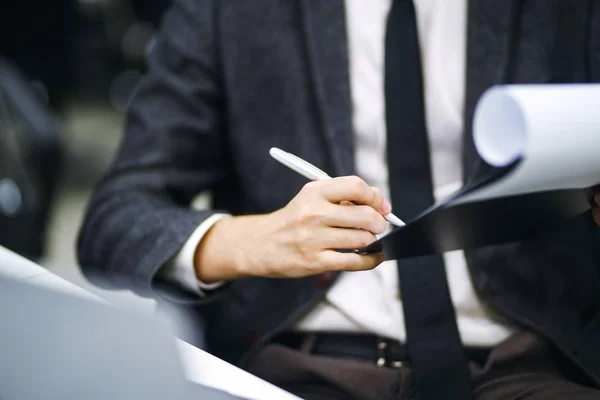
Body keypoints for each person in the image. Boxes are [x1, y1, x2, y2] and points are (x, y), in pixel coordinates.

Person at [77, 0, 600, 399]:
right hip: (302, 361)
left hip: (528, 358)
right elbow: (114, 221)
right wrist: (248, 241)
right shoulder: (230, 11)